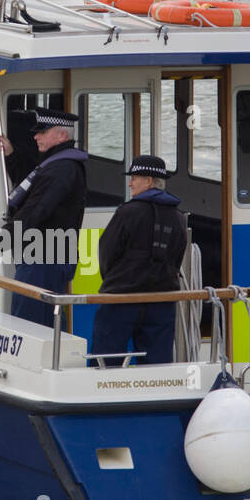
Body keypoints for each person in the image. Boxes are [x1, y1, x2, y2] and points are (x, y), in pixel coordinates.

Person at [0, 110, 87, 326]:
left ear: (62, 136)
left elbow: (34, 211)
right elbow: (32, 185)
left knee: (29, 324)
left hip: (44, 258)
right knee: (45, 322)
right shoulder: (58, 164)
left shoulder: (60, 169)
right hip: (46, 255)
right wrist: (11, 154)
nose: (36, 136)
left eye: (43, 132)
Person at [91, 155, 187, 366]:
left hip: (121, 298)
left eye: (135, 177)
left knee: (105, 362)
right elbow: (177, 257)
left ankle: (105, 397)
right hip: (161, 300)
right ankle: (157, 396)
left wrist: (114, 281)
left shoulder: (127, 212)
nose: (130, 182)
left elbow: (107, 252)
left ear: (150, 181)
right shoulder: (178, 217)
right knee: (157, 365)